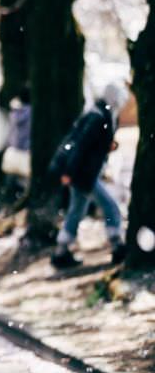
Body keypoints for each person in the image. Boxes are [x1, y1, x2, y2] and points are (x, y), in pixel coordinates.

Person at [50, 83, 130, 269]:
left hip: (82, 172)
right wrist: (69, 172)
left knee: (76, 210)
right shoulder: (99, 116)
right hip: (84, 173)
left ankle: (61, 252)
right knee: (110, 207)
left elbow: (86, 144)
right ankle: (117, 244)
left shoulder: (98, 113)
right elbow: (81, 146)